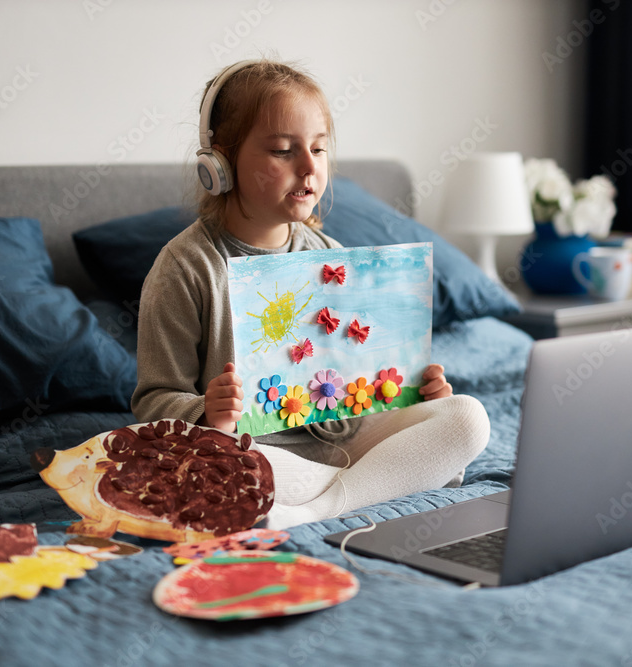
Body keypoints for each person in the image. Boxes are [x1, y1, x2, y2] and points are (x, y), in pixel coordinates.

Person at [132, 59, 490, 528]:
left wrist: (415, 397)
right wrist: (206, 412)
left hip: (343, 440)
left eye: (318, 150)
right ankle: (374, 483)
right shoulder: (185, 267)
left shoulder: (331, 254)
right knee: (194, 467)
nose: (308, 167)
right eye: (283, 150)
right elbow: (153, 400)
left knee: (467, 417)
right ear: (219, 163)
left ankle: (321, 505)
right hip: (257, 451)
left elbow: (354, 380)